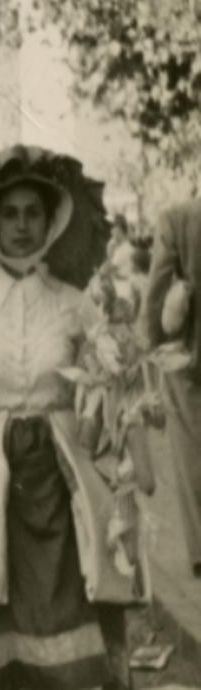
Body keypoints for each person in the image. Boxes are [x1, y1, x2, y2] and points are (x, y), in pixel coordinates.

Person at [0, 145, 134, 688]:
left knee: (70, 603)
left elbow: (106, 398)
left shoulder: (75, 304)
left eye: (32, 214)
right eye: (9, 214)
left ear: (49, 222)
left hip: (62, 476)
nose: (21, 226)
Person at [143, 200, 201, 578]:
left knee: (190, 450)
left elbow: (154, 293)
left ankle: (199, 550)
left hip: (186, 359)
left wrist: (150, 348)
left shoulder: (177, 219)